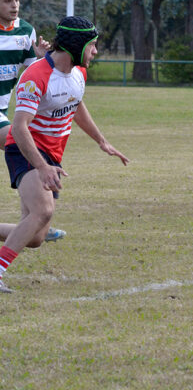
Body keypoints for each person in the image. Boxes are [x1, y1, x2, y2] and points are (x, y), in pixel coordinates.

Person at [0, 16, 130, 294]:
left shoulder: (78, 73)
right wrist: (42, 166)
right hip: (25, 149)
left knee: (35, 237)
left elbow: (75, 103)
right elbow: (20, 127)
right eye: (92, 45)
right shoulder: (36, 76)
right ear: (75, 45)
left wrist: (102, 141)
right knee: (43, 210)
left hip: (51, 155)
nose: (95, 51)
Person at [0, 0, 66, 244]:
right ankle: (38, 215)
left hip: (2, 110)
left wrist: (39, 58)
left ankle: (34, 223)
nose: (14, 5)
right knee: (23, 144)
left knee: (35, 239)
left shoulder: (26, 32)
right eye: (6, 0)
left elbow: (35, 76)